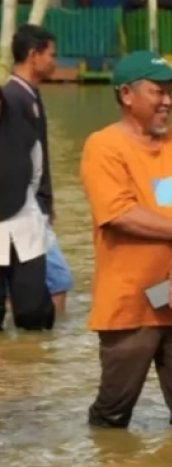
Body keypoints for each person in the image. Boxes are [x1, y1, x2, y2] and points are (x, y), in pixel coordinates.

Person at [79, 51, 172, 428]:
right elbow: (118, 213)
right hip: (131, 305)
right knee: (113, 414)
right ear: (127, 95)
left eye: (171, 91)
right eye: (158, 90)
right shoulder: (103, 145)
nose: (168, 99)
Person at [0, 26, 57, 331]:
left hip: (31, 212)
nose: (55, 62)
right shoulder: (11, 97)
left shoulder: (28, 95)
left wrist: (46, 204)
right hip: (14, 209)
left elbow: (37, 160)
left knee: (37, 304)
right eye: (51, 55)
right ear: (34, 56)